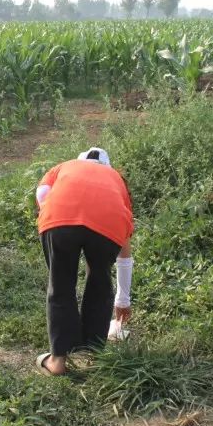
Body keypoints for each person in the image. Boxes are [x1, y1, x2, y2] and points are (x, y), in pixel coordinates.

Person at [34, 147, 135, 376]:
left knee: (61, 284)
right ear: (107, 167)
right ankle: (93, 354)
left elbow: (42, 192)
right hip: (108, 225)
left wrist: (56, 214)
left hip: (59, 218)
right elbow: (124, 252)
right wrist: (123, 298)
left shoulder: (64, 166)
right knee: (100, 280)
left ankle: (57, 362)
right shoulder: (117, 179)